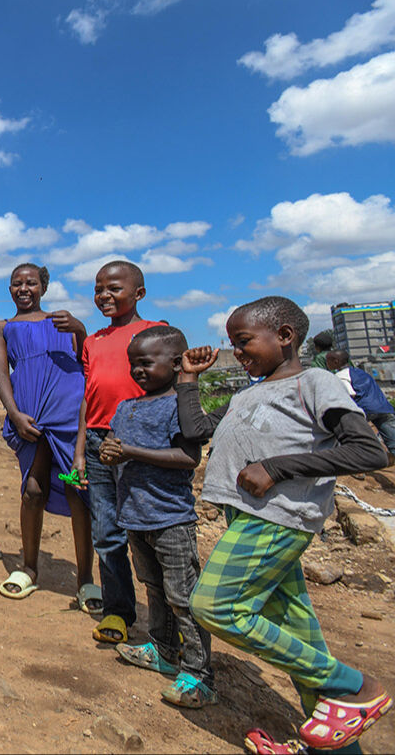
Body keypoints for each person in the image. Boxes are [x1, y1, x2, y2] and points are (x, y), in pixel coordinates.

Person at [180, 297, 390, 754]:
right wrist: (189, 380)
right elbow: (195, 430)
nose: (238, 352)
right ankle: (337, 740)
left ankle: (354, 685)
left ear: (285, 336)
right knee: (299, 640)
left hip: (275, 520)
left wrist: (277, 467)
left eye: (244, 341)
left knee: (214, 606)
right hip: (247, 518)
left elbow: (370, 451)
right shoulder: (246, 394)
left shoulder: (313, 382)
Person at [97, 326, 213, 709]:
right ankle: (162, 649)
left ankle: (199, 674)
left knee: (183, 597)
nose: (138, 370)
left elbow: (188, 458)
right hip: (135, 517)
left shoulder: (178, 407)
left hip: (170, 519)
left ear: (177, 363)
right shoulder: (126, 407)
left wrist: (130, 452)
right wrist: (108, 452)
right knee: (154, 587)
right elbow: (114, 446)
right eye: (133, 364)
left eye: (146, 362)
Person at [0, 264, 95, 606]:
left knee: (77, 489)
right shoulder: (2, 327)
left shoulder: (63, 321)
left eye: (31, 283)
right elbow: (1, 374)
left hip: (68, 414)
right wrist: (14, 413)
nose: (23, 288)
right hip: (31, 415)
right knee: (33, 491)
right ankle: (29, 569)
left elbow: (87, 361)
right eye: (16, 283)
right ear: (9, 289)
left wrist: (80, 329)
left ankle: (86, 579)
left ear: (43, 287)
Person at [76, 260, 167, 644]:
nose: (104, 296)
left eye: (114, 288)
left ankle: (169, 622)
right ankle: (118, 610)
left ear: (139, 293)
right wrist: (80, 450)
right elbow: (88, 396)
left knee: (153, 534)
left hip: (143, 443)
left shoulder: (157, 334)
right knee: (106, 533)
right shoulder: (93, 341)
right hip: (99, 443)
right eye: (99, 289)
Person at [325, 349, 395, 456]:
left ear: (335, 362)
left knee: (358, 438)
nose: (326, 363)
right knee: (392, 440)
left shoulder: (341, 375)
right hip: (383, 407)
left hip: (364, 410)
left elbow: (349, 394)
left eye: (328, 361)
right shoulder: (360, 372)